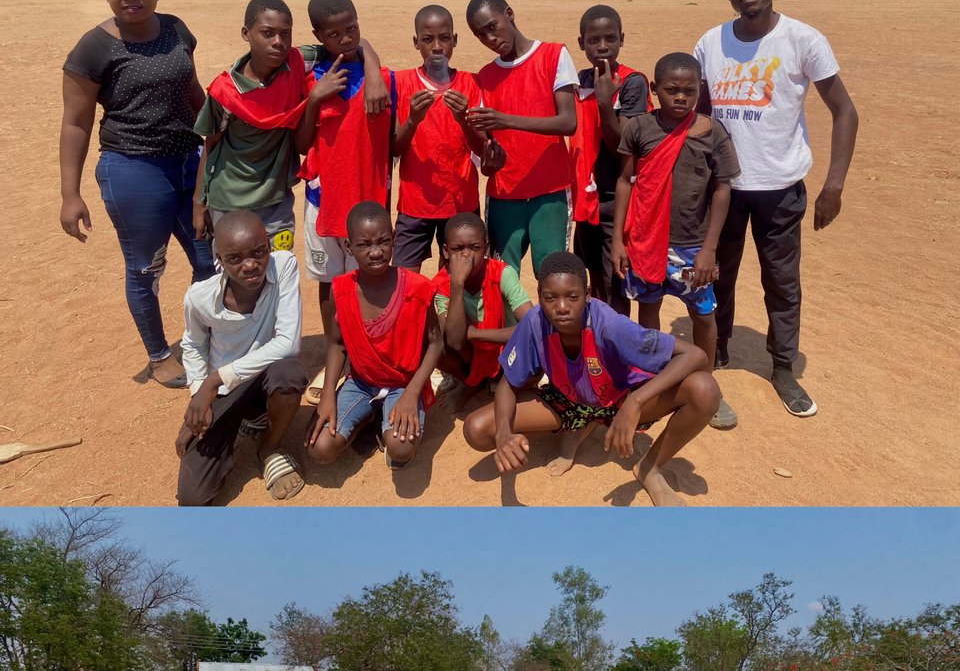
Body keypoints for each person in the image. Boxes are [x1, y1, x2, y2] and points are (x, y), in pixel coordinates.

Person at [693, 0, 859, 424]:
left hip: (780, 186)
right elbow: (699, 116)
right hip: (723, 188)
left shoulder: (803, 39)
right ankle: (717, 348)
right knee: (716, 274)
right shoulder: (711, 42)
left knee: (782, 283)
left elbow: (844, 110)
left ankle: (783, 367)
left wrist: (834, 185)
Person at [60, 0, 214, 388]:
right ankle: (158, 354)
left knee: (210, 261)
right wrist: (70, 195)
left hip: (188, 163)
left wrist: (215, 137)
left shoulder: (177, 30)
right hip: (133, 170)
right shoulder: (92, 49)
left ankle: (199, 340)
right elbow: (75, 124)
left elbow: (192, 92)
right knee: (145, 268)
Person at [462, 252, 720, 505]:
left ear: (587, 295)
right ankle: (579, 426)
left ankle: (650, 468)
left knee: (705, 390)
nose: (562, 307)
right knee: (478, 430)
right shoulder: (534, 322)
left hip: (620, 399)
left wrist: (635, 403)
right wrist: (505, 435)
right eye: (550, 298)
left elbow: (695, 356)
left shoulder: (609, 325)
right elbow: (508, 383)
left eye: (572, 297)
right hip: (569, 400)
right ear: (539, 297)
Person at [613, 52, 740, 431]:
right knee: (648, 311)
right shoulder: (639, 128)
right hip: (645, 242)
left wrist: (709, 249)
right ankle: (653, 383)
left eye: (689, 91)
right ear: (654, 90)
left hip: (691, 249)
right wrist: (620, 241)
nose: (680, 98)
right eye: (671, 90)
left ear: (700, 90)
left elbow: (722, 189)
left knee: (703, 315)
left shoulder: (712, 132)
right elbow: (625, 182)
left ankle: (709, 386)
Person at [294, 0, 391, 394]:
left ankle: (366, 355)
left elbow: (394, 140)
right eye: (335, 34)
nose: (346, 38)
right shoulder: (311, 79)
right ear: (319, 35)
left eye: (352, 29)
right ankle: (338, 351)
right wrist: (315, 99)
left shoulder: (384, 81)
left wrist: (371, 68)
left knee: (368, 283)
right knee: (329, 284)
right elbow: (300, 143)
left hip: (368, 208)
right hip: (324, 204)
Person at [176, 212, 308, 505]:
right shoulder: (199, 298)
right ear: (219, 259)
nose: (250, 265)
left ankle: (269, 448)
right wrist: (200, 395)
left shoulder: (284, 266)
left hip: (262, 376)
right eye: (234, 258)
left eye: (259, 252)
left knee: (289, 374)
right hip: (227, 390)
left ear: (269, 246)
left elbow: (287, 343)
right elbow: (193, 345)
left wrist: (215, 379)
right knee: (193, 499)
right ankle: (245, 420)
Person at [305, 202, 444, 473]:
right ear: (348, 248)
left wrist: (412, 392)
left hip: (403, 383)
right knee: (319, 449)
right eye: (364, 245)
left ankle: (384, 420)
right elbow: (336, 344)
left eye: (383, 242)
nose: (376, 252)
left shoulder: (418, 289)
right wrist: (328, 396)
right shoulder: (341, 290)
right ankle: (366, 419)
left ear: (394, 240)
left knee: (401, 448)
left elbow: (436, 343)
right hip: (361, 382)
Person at [465, 0, 578, 279]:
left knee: (553, 276)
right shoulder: (485, 76)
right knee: (502, 278)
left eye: (492, 26)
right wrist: (489, 159)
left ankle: (550, 328)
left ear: (510, 14)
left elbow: (567, 122)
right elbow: (486, 151)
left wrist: (506, 120)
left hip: (550, 192)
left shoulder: (553, 55)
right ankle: (509, 328)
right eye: (481, 35)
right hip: (505, 193)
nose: (490, 39)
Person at [193, 0, 307, 252]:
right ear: (246, 33)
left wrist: (372, 72)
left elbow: (345, 43)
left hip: (275, 203)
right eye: (267, 33)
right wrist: (199, 204)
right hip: (230, 202)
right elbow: (210, 147)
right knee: (237, 279)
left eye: (285, 34)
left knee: (280, 276)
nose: (278, 42)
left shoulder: (296, 64)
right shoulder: (225, 93)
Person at [392, 5, 493, 271]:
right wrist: (413, 119)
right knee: (404, 280)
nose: (437, 47)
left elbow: (483, 150)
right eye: (427, 39)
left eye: (444, 38)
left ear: (455, 40)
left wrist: (463, 119)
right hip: (415, 205)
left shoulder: (471, 84)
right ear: (416, 43)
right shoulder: (401, 83)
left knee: (458, 281)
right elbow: (395, 148)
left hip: (460, 204)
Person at [570, 4, 650, 313]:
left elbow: (622, 147)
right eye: (593, 40)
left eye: (610, 38)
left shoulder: (632, 83)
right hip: (586, 197)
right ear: (581, 43)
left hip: (616, 198)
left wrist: (605, 104)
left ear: (621, 39)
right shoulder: (581, 78)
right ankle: (598, 345)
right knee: (590, 274)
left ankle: (614, 347)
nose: (602, 46)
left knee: (615, 279)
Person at [434, 213, 533, 393]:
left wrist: (474, 334)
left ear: (486, 249)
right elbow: (455, 342)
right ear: (445, 251)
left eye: (475, 247)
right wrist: (457, 284)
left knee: (535, 350)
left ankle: (500, 383)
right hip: (470, 355)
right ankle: (473, 385)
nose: (466, 255)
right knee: (434, 345)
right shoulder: (441, 284)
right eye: (457, 249)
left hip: (506, 351)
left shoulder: (501, 273)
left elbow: (532, 325)